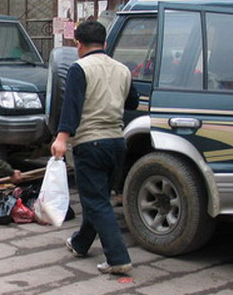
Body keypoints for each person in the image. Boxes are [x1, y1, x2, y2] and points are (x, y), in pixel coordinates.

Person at [50, 21, 138, 275]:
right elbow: (131, 100)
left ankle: (118, 258)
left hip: (91, 143)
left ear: (78, 44)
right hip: (117, 142)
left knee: (96, 201)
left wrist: (61, 138)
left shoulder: (80, 68)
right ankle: (80, 243)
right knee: (98, 196)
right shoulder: (122, 69)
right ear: (105, 44)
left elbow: (72, 106)